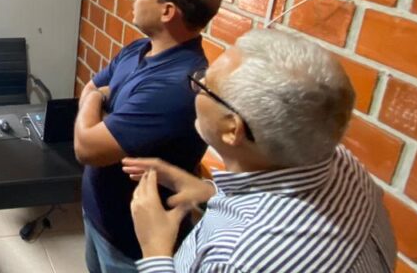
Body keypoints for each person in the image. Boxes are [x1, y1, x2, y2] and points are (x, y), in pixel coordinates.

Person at [127, 28, 396, 272]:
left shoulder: (235, 258)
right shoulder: (343, 164)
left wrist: (155, 249)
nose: (196, 86)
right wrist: (210, 193)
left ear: (232, 129)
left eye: (205, 84)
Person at [75, 0, 223, 272]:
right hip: (99, 215)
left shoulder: (175, 86)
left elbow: (86, 147)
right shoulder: (137, 49)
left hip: (132, 245)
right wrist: (95, 98)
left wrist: (96, 100)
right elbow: (90, 87)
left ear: (167, 11)